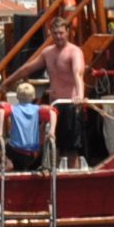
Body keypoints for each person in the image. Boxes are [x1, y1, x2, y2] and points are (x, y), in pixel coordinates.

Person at [38, 11, 92, 172]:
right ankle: (52, 177)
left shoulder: (75, 51)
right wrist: (9, 81)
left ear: (67, 32)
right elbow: (29, 68)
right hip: (54, 106)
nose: (58, 36)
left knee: (71, 149)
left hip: (70, 104)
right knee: (54, 145)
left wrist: (80, 96)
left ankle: (72, 176)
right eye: (55, 33)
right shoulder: (47, 52)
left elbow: (78, 73)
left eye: (61, 32)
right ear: (51, 34)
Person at [2, 82, 47, 174]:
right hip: (33, 152)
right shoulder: (37, 109)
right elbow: (52, 112)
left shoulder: (13, 108)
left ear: (17, 97)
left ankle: (7, 162)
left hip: (15, 150)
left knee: (1, 145)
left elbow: (1, 110)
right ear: (33, 97)